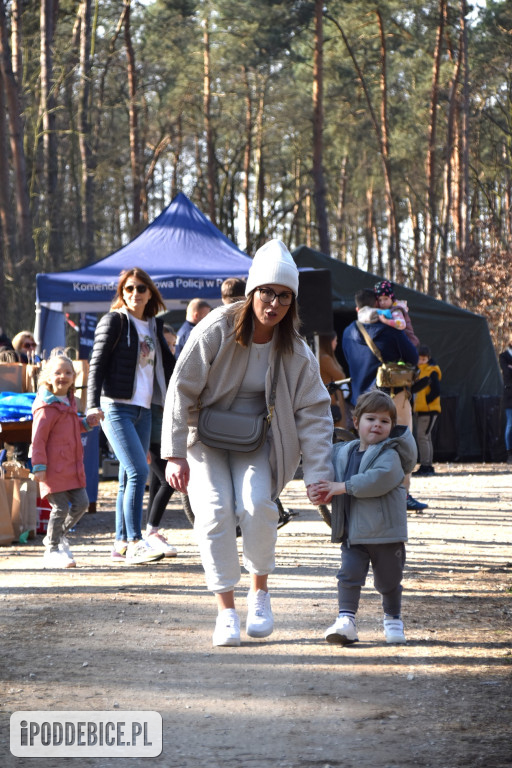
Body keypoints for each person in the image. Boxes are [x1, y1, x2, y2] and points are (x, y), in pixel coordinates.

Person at [162, 239, 333, 648]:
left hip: (258, 437)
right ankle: (225, 611)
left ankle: (259, 593)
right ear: (253, 291)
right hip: (205, 436)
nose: (274, 303)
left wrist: (320, 474)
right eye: (267, 293)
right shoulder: (217, 326)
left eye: (285, 296)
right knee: (215, 510)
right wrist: (173, 452)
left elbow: (315, 409)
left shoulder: (295, 347)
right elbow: (180, 388)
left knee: (258, 505)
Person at [309, 390, 417, 646]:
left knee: (389, 580)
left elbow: (375, 481)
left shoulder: (390, 455)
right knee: (348, 575)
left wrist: (341, 487)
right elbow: (326, 474)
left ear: (391, 427)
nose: (377, 425)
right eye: (371, 419)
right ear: (356, 422)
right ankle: (346, 620)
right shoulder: (342, 452)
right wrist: (320, 489)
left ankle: (392, 618)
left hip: (386, 534)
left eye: (384, 421)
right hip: (352, 531)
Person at [86, 267, 175, 565]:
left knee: (128, 476)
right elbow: (96, 364)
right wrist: (91, 405)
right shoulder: (114, 321)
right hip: (115, 406)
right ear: (122, 293)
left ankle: (121, 543)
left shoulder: (153, 325)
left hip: (145, 409)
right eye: (128, 289)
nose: (134, 294)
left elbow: (171, 366)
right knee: (138, 471)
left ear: (150, 292)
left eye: (140, 288)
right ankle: (136, 541)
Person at [342, 288, 426, 512]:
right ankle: (402, 493)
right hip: (392, 394)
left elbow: (347, 360)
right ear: (378, 306)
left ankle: (365, 490)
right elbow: (413, 357)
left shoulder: (349, 330)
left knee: (366, 444)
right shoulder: (390, 330)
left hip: (361, 398)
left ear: (357, 309)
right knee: (402, 442)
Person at [31, 355, 102, 568]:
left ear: (74, 377)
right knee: (60, 508)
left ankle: (56, 536)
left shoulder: (70, 401)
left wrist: (87, 423)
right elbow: (38, 439)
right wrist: (39, 466)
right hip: (52, 468)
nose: (63, 376)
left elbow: (70, 426)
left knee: (81, 503)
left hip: (71, 466)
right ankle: (52, 550)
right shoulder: (45, 407)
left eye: (68, 372)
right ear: (48, 377)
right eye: (58, 372)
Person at [144, 325, 178, 557]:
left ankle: (150, 531)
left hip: (165, 430)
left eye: (173, 345)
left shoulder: (167, 369)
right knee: (169, 480)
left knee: (158, 482)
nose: (171, 350)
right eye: (167, 345)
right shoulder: (148, 372)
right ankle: (152, 531)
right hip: (152, 431)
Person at [412, 345, 442, 476]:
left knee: (422, 437)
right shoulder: (417, 370)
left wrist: (426, 402)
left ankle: (425, 465)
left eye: (423, 359)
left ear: (428, 359)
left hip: (428, 410)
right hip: (421, 409)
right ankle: (427, 465)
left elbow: (436, 390)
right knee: (426, 437)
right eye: (419, 359)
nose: (421, 361)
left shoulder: (431, 371)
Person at [374, 280, 419, 348]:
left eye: (386, 299)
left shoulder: (396, 310)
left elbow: (401, 324)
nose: (382, 302)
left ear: (392, 299)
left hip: (407, 343)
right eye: (380, 300)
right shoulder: (386, 310)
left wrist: (385, 321)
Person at [318, 332, 349, 428]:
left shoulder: (322, 356)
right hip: (333, 399)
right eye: (335, 341)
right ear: (328, 342)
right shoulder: (325, 358)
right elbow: (340, 375)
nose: (336, 343)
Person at [499, 337, 512, 464]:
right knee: (510, 424)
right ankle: (509, 452)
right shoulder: (503, 356)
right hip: (509, 395)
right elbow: (507, 373)